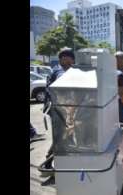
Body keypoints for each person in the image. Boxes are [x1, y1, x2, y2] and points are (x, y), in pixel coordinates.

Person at [41, 48, 75, 176]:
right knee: (61, 137)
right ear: (60, 60)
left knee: (67, 136)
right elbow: (52, 92)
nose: (65, 63)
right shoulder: (58, 72)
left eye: (68, 60)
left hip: (70, 109)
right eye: (63, 60)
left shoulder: (74, 71)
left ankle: (63, 161)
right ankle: (49, 161)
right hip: (58, 110)